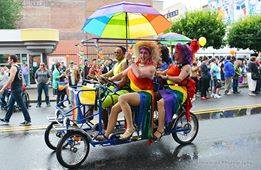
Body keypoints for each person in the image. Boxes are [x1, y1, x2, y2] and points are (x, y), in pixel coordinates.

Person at [96, 41, 159, 140]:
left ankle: (130, 128)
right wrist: (109, 79)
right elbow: (121, 74)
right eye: (141, 52)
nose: (142, 55)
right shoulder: (135, 65)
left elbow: (139, 74)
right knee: (114, 109)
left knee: (122, 98)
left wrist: (131, 62)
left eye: (145, 53)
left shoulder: (151, 67)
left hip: (146, 94)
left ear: (150, 55)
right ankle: (106, 135)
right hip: (135, 94)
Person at [155, 43, 194, 140]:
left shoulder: (187, 67)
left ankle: (160, 129)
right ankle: (155, 122)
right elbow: (161, 72)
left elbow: (180, 79)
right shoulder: (173, 64)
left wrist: (166, 77)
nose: (174, 54)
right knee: (151, 97)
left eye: (176, 52)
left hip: (179, 91)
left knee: (160, 103)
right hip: (169, 89)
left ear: (183, 54)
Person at [0, 55, 31, 126]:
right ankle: (6, 119)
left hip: (15, 89)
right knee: (10, 105)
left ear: (12, 60)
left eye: (8, 59)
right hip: (17, 88)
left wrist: (3, 88)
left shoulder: (13, 67)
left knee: (22, 105)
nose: (8, 61)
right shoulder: (18, 67)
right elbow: (20, 78)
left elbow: (11, 79)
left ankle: (28, 120)